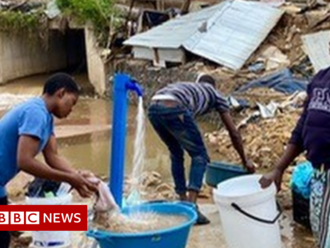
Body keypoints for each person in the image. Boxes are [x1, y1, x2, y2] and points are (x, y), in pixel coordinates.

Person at [0, 73, 98, 248]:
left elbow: (53, 157)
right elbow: (25, 161)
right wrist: (69, 179)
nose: (71, 110)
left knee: (4, 233)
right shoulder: (35, 112)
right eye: (72, 102)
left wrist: (76, 175)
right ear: (60, 93)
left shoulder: (46, 118)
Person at [148, 74, 255, 225]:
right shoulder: (216, 95)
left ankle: (182, 201)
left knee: (176, 152)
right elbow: (233, 132)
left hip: (153, 107)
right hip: (174, 107)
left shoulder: (189, 87)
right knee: (200, 155)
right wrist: (245, 160)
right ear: (214, 86)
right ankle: (192, 207)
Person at [259, 66, 330, 248]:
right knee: (322, 236)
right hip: (320, 177)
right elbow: (303, 126)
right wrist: (279, 168)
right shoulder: (320, 80)